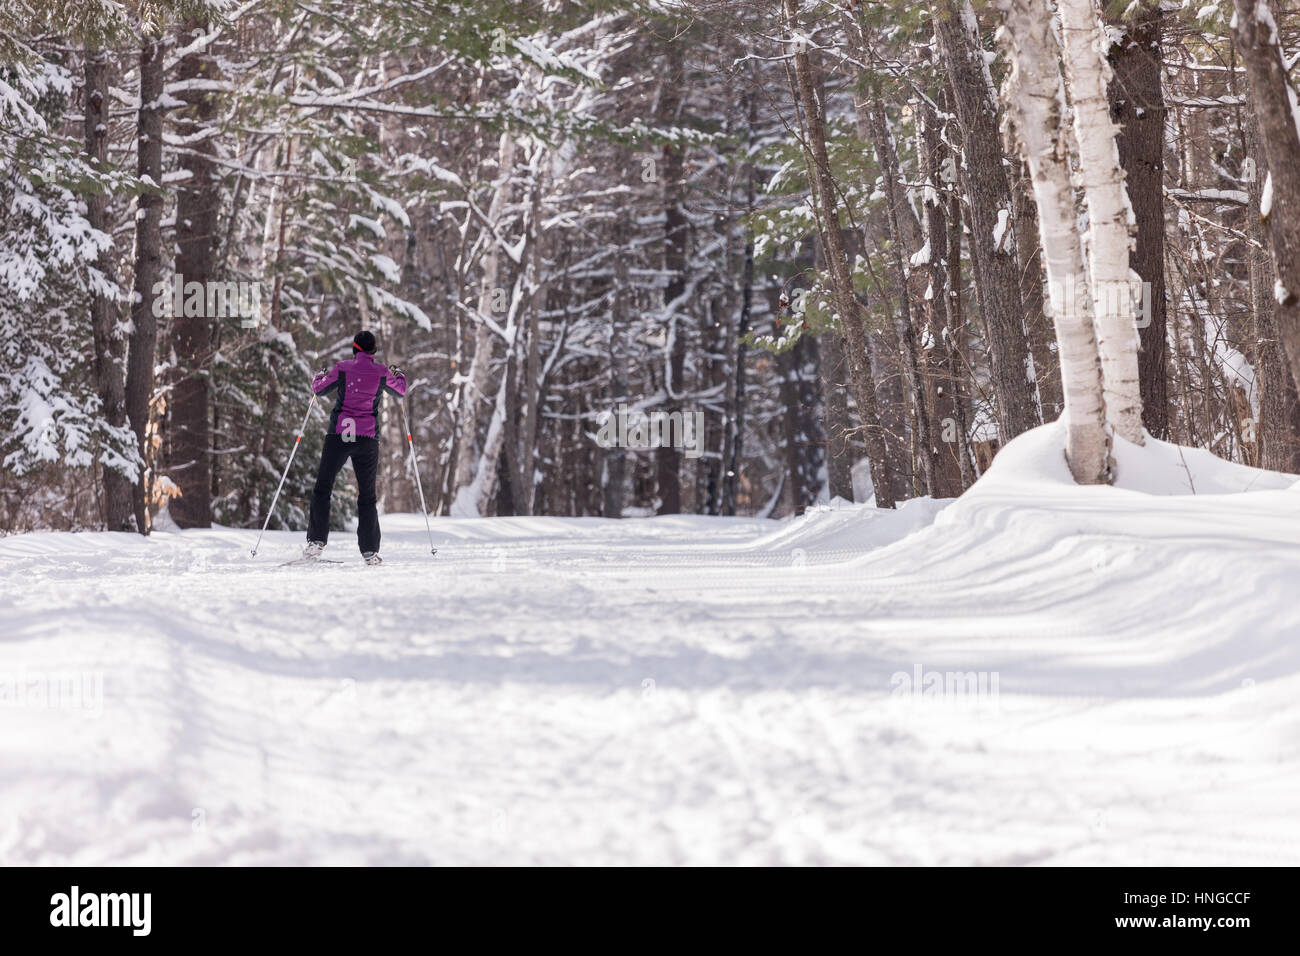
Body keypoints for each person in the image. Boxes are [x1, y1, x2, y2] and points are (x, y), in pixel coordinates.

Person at [304, 330, 407, 565]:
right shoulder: (380, 372)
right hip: (367, 439)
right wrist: (399, 374)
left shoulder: (343, 368)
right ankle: (370, 552)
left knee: (323, 488)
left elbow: (319, 389)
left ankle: (316, 543)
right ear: (374, 350)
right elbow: (400, 390)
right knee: (367, 496)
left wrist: (318, 376)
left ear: (354, 348)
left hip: (339, 435)